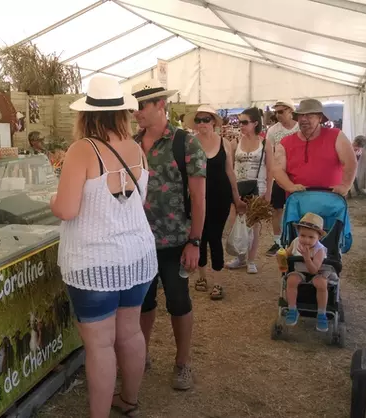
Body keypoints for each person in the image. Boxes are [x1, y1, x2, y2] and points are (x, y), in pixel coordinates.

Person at [53, 75, 156, 418]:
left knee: (99, 345)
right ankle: (129, 400)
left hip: (94, 262)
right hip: (137, 258)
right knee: (129, 333)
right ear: (122, 113)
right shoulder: (136, 148)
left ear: (86, 115)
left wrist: (53, 201)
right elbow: (138, 200)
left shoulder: (83, 149)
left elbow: (67, 210)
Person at [131, 79, 207, 391]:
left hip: (176, 241)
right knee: (142, 303)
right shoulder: (132, 144)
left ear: (160, 105)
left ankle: (182, 363)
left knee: (178, 301)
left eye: (142, 106)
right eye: (134, 106)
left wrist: (195, 241)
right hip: (138, 241)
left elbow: (200, 198)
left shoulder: (184, 142)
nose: (136, 112)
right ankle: (141, 355)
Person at [184, 105, 245, 299]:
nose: (202, 123)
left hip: (220, 195)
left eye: (206, 119)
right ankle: (202, 277)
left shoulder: (224, 143)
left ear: (213, 122)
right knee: (199, 236)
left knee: (215, 237)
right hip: (196, 197)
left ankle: (218, 283)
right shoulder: (189, 143)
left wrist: (237, 198)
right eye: (199, 120)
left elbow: (230, 172)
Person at [273, 99, 358, 196]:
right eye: (301, 115)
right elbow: (277, 169)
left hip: (331, 200)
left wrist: (345, 185)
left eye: (309, 115)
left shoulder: (336, 136)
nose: (304, 119)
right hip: (298, 200)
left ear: (320, 118)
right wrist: (290, 186)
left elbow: (350, 162)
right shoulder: (285, 142)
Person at [226, 107, 274, 274]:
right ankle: (240, 257)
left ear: (255, 123)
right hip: (238, 187)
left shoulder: (265, 143)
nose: (241, 125)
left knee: (253, 225)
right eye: (240, 122)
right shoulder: (235, 142)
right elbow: (230, 167)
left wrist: (268, 192)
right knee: (236, 222)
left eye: (245, 122)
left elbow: (271, 169)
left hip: (257, 187)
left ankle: (251, 259)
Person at [282, 212, 336, 332]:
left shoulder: (319, 250)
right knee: (291, 280)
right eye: (303, 235)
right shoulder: (296, 242)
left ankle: (321, 313)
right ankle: (292, 309)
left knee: (321, 283)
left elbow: (314, 270)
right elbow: (288, 253)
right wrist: (282, 255)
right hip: (300, 270)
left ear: (319, 237)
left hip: (317, 272)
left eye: (311, 237)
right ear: (298, 234)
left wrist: (306, 257)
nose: (306, 240)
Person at [265, 100, 299, 256]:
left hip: (298, 174)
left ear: (290, 110)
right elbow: (270, 155)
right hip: (279, 174)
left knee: (298, 209)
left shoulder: (300, 127)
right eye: (275, 112)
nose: (277, 115)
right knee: (276, 209)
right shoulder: (272, 131)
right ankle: (277, 242)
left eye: (281, 111)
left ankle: (297, 241)